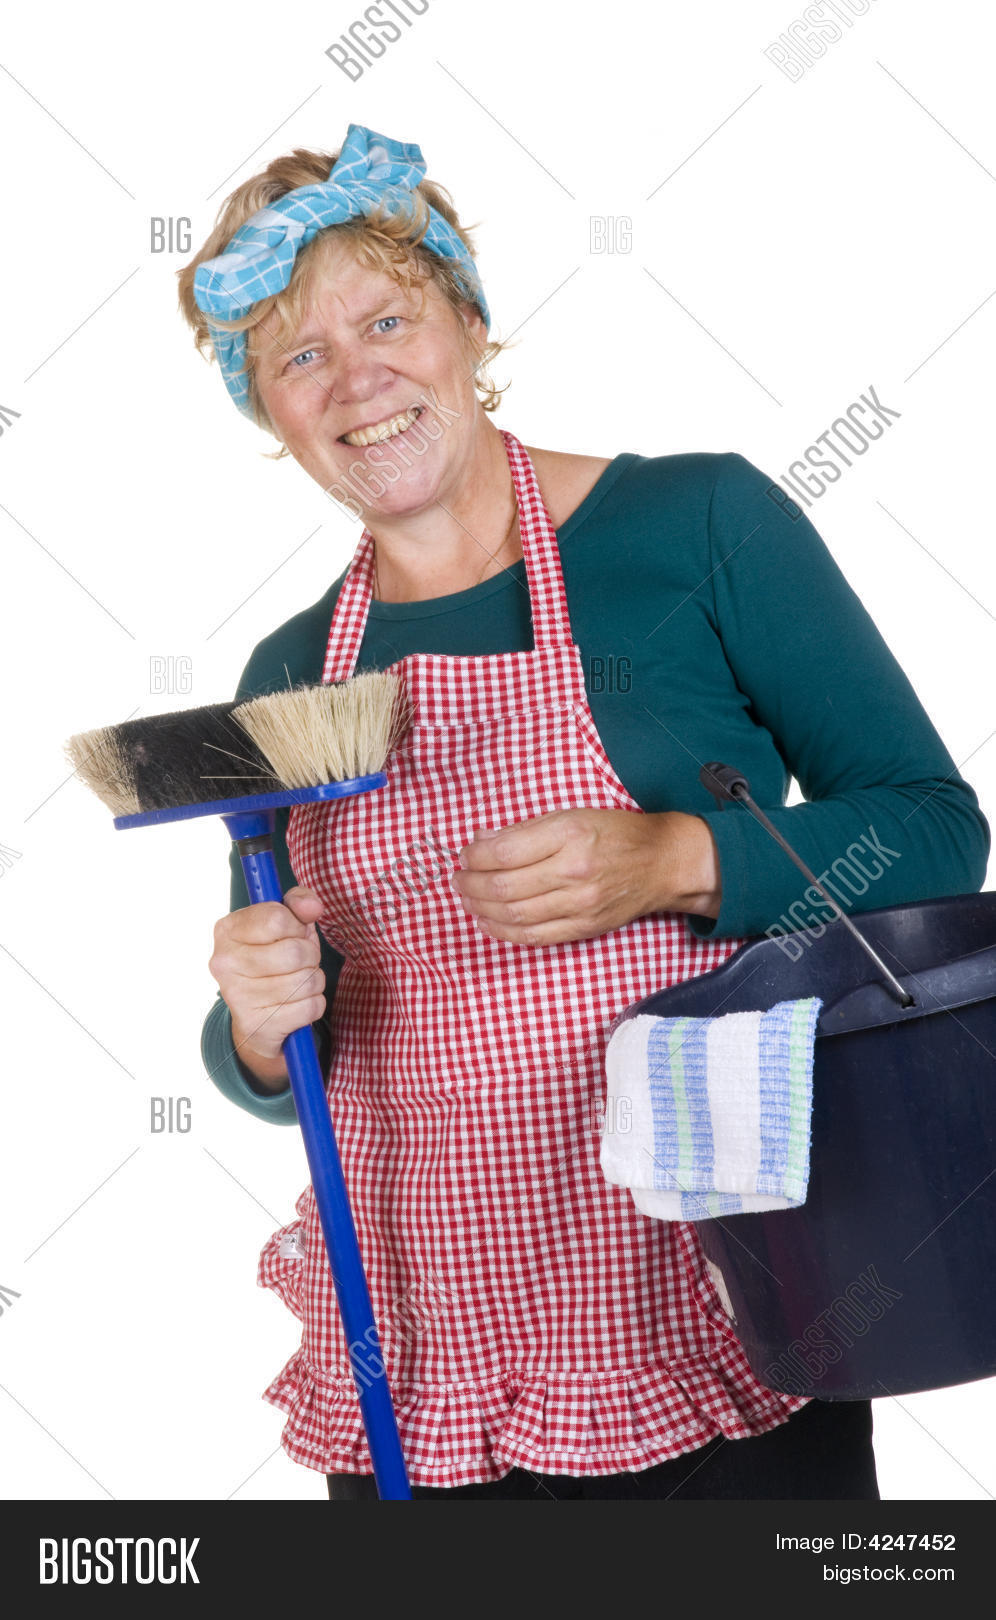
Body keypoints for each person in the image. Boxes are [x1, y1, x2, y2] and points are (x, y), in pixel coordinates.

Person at [179, 124, 989, 1500]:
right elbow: (280, 1045)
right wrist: (252, 1028)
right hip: (424, 1362)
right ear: (267, 410)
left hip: (722, 1299)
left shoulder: (698, 525)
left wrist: (678, 860)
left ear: (468, 321)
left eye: (388, 320)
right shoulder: (287, 675)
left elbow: (934, 830)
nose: (357, 379)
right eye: (299, 356)